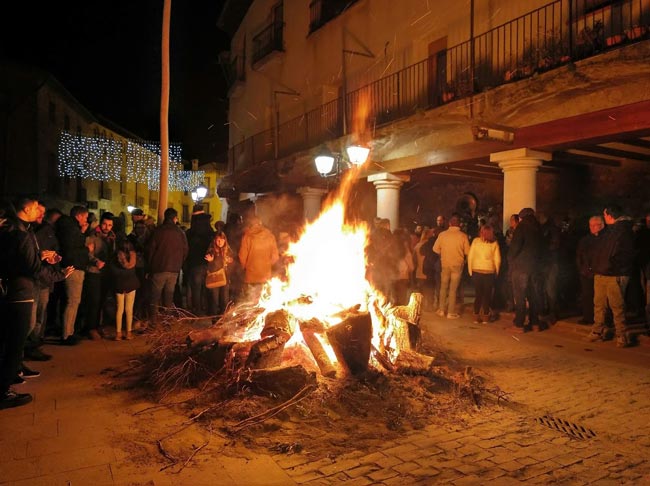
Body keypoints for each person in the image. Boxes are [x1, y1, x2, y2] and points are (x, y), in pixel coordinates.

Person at [0, 197, 42, 409]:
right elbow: (30, 266)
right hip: (19, 292)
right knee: (14, 344)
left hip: (11, 291)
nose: (38, 211)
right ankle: (3, 391)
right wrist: (53, 271)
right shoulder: (19, 234)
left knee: (9, 342)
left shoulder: (12, 231)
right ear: (26, 209)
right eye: (35, 207)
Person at [588, 204, 637, 347]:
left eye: (604, 215)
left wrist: (610, 265)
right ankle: (598, 330)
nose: (604, 217)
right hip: (603, 272)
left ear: (610, 215)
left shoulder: (622, 231)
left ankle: (621, 334)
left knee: (617, 305)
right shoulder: (612, 231)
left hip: (614, 273)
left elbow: (621, 255)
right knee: (599, 303)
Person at [56, 206, 92, 345]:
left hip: (74, 267)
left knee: (72, 301)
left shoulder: (71, 229)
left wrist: (82, 232)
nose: (86, 220)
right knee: (73, 301)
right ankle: (66, 334)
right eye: (85, 217)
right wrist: (86, 249)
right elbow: (71, 250)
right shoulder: (70, 230)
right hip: (74, 268)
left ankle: (69, 331)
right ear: (78, 216)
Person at [146, 208, 188, 323]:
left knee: (155, 296)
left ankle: (153, 321)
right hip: (174, 270)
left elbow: (151, 250)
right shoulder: (180, 233)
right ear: (175, 218)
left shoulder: (158, 231)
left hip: (159, 268)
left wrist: (149, 267)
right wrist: (179, 264)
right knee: (168, 297)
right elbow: (185, 251)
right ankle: (167, 321)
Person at [508, 208, 546, 332]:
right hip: (536, 268)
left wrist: (510, 260)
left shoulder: (521, 228)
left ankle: (519, 324)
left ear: (521, 217)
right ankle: (534, 323)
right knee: (533, 296)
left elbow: (515, 248)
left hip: (521, 267)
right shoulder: (539, 229)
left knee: (520, 296)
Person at [81, 212, 115, 339]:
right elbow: (87, 253)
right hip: (94, 272)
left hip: (106, 273)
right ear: (101, 223)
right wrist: (96, 261)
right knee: (93, 301)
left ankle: (98, 325)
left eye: (110, 225)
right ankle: (91, 327)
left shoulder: (112, 237)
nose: (107, 227)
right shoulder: (92, 236)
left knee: (102, 300)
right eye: (105, 224)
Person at [433, 214, 470, 319]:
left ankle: (441, 310)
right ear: (460, 224)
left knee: (443, 287)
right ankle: (450, 312)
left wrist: (443, 253)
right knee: (453, 289)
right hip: (457, 265)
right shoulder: (463, 236)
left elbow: (435, 249)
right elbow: (468, 251)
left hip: (445, 264)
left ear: (449, 223)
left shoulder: (443, 235)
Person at [238, 215, 279, 303]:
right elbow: (275, 256)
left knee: (251, 299)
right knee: (264, 299)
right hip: (265, 274)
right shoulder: (270, 236)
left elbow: (242, 256)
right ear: (260, 223)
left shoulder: (247, 236)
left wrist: (245, 267)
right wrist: (266, 265)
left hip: (251, 274)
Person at [467, 224, 501, 323]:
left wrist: (470, 271)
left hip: (476, 270)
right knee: (487, 295)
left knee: (478, 295)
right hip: (489, 271)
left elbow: (470, 256)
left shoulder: (475, 241)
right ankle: (486, 316)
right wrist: (496, 271)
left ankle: (476, 316)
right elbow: (497, 259)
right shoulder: (494, 243)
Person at [576, 215, 605, 325]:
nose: (592, 228)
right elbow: (579, 255)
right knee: (587, 295)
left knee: (601, 297)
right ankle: (588, 317)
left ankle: (602, 319)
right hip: (586, 272)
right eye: (591, 225)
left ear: (601, 225)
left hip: (600, 271)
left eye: (595, 225)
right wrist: (582, 269)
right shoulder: (585, 240)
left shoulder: (605, 239)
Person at [184, 209, 214, 315]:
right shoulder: (210, 233)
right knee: (206, 287)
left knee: (196, 288)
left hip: (195, 265)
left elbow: (186, 249)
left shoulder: (190, 233)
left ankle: (197, 309)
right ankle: (206, 306)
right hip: (208, 264)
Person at [111, 237, 140, 340]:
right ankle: (128, 333)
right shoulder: (133, 258)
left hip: (119, 285)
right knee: (129, 309)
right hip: (131, 284)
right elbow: (133, 271)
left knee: (119, 309)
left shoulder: (115, 257)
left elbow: (114, 272)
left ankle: (118, 333)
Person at [205, 231, 235, 316]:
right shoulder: (211, 250)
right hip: (215, 279)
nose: (220, 242)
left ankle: (223, 320)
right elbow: (210, 268)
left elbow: (232, 261)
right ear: (214, 240)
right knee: (215, 301)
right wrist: (211, 262)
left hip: (225, 279)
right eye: (218, 240)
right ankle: (215, 321)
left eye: (222, 240)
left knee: (224, 301)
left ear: (225, 240)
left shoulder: (228, 250)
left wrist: (230, 261)